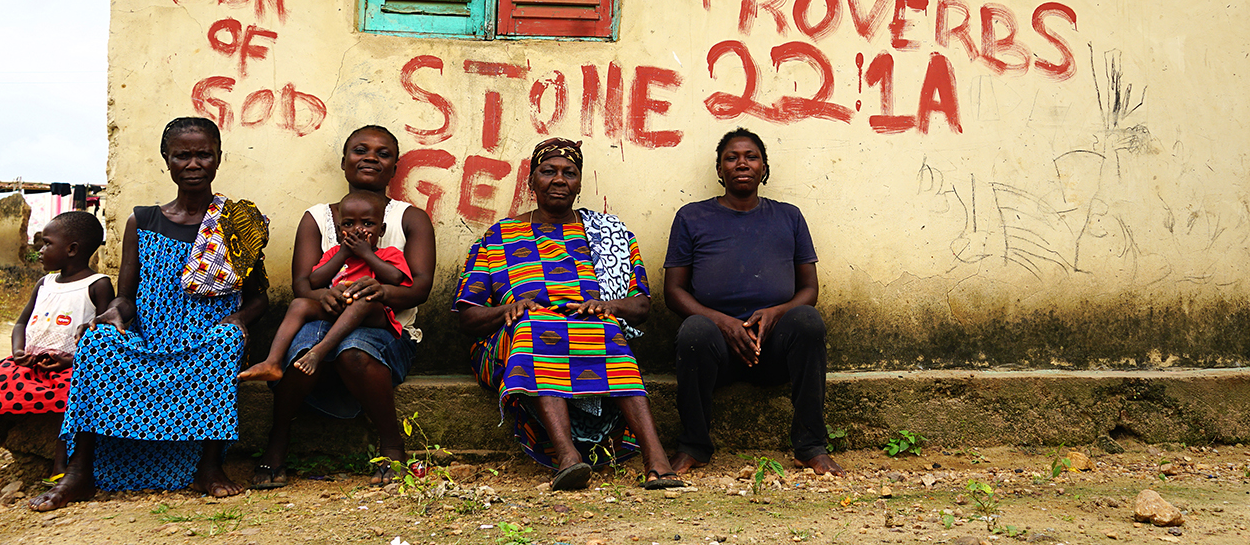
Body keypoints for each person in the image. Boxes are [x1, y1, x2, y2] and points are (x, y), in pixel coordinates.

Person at [29, 117, 270, 511]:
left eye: (204, 155)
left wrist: (239, 321)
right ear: (167, 160)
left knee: (225, 343)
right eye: (183, 156)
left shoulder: (235, 222)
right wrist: (112, 314)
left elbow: (257, 297)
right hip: (150, 336)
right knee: (98, 342)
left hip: (205, 340)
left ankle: (208, 467)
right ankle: (80, 473)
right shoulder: (142, 220)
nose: (194, 164)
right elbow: (125, 297)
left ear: (218, 159)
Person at [454, 138, 683, 492]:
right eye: (548, 171)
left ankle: (657, 461)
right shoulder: (498, 236)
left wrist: (609, 307)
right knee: (536, 326)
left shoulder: (609, 234)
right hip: (510, 342)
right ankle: (568, 457)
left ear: (579, 183)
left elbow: (641, 306)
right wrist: (507, 309)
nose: (559, 179)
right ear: (531, 181)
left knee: (607, 328)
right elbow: (467, 317)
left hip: (590, 336)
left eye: (569, 173)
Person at [254, 125, 436, 490]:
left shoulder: (409, 218)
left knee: (354, 352)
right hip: (327, 316)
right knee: (302, 347)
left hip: (386, 329)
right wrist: (325, 296)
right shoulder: (318, 218)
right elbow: (303, 285)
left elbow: (420, 289)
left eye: (383, 153)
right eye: (360, 150)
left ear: (395, 168)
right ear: (343, 161)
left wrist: (378, 291)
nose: (370, 158)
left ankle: (391, 444)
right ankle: (278, 440)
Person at [663, 127, 843, 476]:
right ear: (719, 170)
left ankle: (810, 447)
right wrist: (722, 322)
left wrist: (777, 313)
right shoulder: (692, 217)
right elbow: (674, 292)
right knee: (693, 331)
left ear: (764, 167)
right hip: (718, 353)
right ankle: (693, 446)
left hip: (772, 350)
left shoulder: (788, 217)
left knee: (808, 321)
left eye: (751, 156)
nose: (741, 163)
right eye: (731, 157)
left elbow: (809, 289)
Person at [0, 212, 114, 504]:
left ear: (72, 249)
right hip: (29, 365)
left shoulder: (98, 284)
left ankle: (60, 468)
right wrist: (18, 351)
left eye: (46, 244)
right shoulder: (44, 284)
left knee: (78, 395)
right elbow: (20, 324)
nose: (39, 251)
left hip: (71, 367)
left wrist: (73, 360)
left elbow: (104, 334)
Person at [239, 189, 411, 382]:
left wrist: (366, 254)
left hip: (373, 313)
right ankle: (272, 362)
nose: (358, 230)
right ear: (338, 231)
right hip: (338, 309)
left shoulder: (388, 254)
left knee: (363, 299)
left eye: (368, 224)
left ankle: (319, 351)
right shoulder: (334, 254)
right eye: (348, 224)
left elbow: (396, 277)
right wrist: (342, 254)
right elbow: (314, 281)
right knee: (299, 305)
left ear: (381, 230)